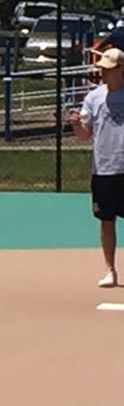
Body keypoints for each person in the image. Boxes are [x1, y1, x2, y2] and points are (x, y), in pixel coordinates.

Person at [69, 47, 124, 288]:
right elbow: (84, 135)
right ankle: (110, 269)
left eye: (108, 69)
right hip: (103, 169)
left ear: (120, 69)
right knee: (106, 220)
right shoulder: (93, 98)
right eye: (102, 68)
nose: (103, 73)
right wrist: (75, 125)